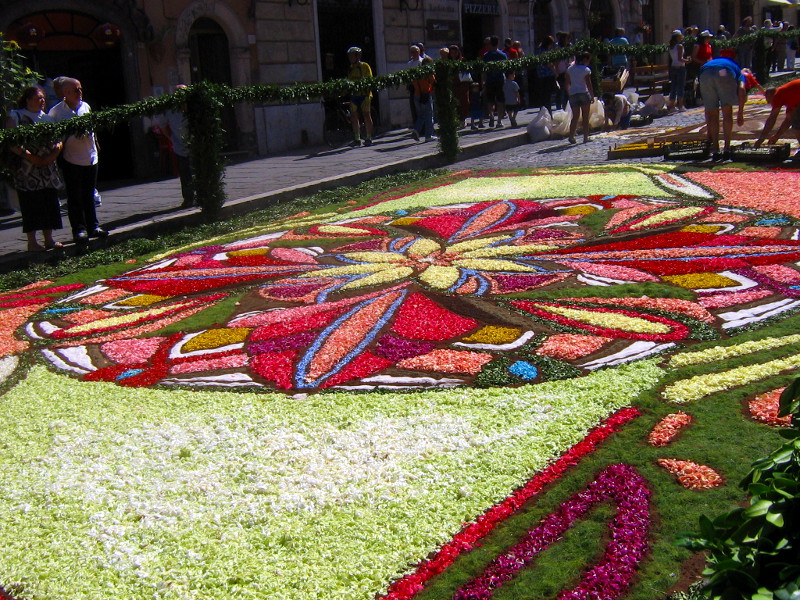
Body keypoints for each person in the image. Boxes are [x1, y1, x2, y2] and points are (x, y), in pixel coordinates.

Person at [5, 86, 64, 252]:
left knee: (49, 202)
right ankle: (32, 242)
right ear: (28, 99)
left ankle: (49, 239)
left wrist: (51, 156)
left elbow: (58, 141)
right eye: (38, 98)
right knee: (31, 204)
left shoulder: (47, 118)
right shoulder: (16, 116)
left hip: (47, 169)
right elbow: (11, 142)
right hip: (27, 170)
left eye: (43, 98)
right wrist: (31, 157)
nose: (42, 101)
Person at [48, 77, 106, 244]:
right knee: (75, 197)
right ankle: (79, 230)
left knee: (90, 194)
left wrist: (96, 144)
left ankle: (93, 226)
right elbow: (55, 138)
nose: (79, 92)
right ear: (65, 93)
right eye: (75, 90)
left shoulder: (85, 106)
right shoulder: (57, 112)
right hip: (71, 159)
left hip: (90, 157)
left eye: (80, 89)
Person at [697, 55, 747, 159]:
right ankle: (726, 149)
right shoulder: (738, 70)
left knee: (713, 114)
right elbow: (742, 89)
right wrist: (740, 113)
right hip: (725, 73)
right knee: (727, 112)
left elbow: (708, 110)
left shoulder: (713, 63)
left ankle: (715, 150)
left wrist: (709, 133)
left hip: (705, 74)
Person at [162, 84, 194, 208]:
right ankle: (188, 198)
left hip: (195, 144)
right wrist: (172, 138)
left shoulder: (192, 107)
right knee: (185, 173)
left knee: (197, 171)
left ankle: (201, 196)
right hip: (180, 146)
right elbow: (163, 125)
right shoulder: (170, 109)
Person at [754, 79, 800, 157]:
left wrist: (761, 139)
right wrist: (776, 136)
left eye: (767, 98)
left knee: (797, 126)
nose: (768, 102)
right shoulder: (789, 97)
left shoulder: (778, 95)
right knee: (795, 121)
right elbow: (788, 120)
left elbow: (772, 118)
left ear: (771, 95)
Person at [345, 47, 374, 147]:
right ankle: (357, 138)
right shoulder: (350, 68)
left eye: (352, 56)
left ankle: (369, 137)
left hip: (364, 95)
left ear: (357, 56)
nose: (350, 58)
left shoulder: (365, 66)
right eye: (349, 56)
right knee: (353, 116)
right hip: (354, 96)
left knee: (366, 115)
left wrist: (367, 93)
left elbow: (370, 80)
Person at [566, 51, 595, 144]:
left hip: (573, 94)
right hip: (583, 93)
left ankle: (571, 136)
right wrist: (592, 95)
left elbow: (567, 83)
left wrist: (569, 93)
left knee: (575, 117)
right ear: (585, 59)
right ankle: (585, 137)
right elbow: (588, 84)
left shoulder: (570, 69)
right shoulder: (586, 70)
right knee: (585, 117)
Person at [481, 35, 507, 128]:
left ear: (490, 43)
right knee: (500, 100)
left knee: (490, 100)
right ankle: (499, 121)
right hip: (500, 79)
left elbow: (484, 70)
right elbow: (506, 68)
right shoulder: (503, 55)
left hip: (489, 80)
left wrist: (483, 81)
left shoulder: (486, 55)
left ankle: (491, 116)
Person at [411, 56, 436, 142]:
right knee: (429, 115)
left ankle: (416, 130)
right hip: (426, 95)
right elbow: (433, 81)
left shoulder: (417, 72)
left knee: (421, 115)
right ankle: (429, 135)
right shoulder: (428, 72)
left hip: (417, 95)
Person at [667, 29, 691, 112]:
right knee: (680, 86)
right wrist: (687, 60)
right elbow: (680, 58)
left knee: (673, 86)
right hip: (680, 67)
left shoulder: (671, 46)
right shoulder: (679, 46)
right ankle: (680, 105)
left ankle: (671, 105)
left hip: (673, 66)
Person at [448, 44, 471, 125]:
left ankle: (463, 118)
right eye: (452, 52)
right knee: (455, 102)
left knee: (464, 101)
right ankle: (457, 118)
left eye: (455, 52)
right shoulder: (449, 62)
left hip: (463, 83)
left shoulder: (462, 60)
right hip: (453, 84)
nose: (454, 54)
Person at [534, 35, 558, 111]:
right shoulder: (544, 51)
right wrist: (555, 72)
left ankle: (544, 111)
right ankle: (547, 112)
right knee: (547, 95)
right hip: (546, 75)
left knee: (544, 95)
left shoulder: (538, 49)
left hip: (541, 74)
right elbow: (548, 63)